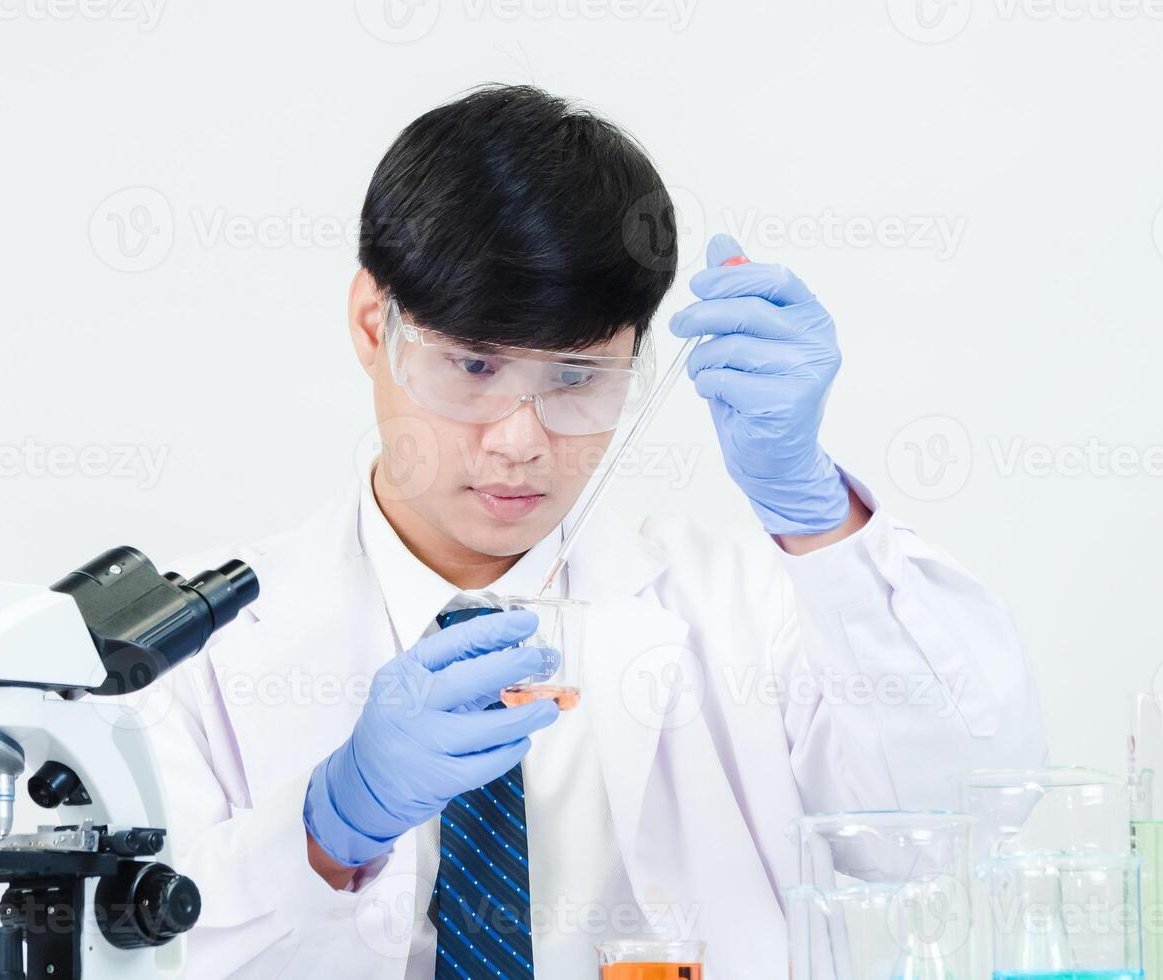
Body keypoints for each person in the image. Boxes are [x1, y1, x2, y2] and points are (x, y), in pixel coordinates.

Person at [138, 83, 1047, 979]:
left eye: (576, 377)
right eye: (474, 364)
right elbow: (119, 953)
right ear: (374, 326)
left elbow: (944, 825)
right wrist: (327, 831)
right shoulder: (182, 655)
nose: (520, 442)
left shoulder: (747, 608)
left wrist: (819, 521)